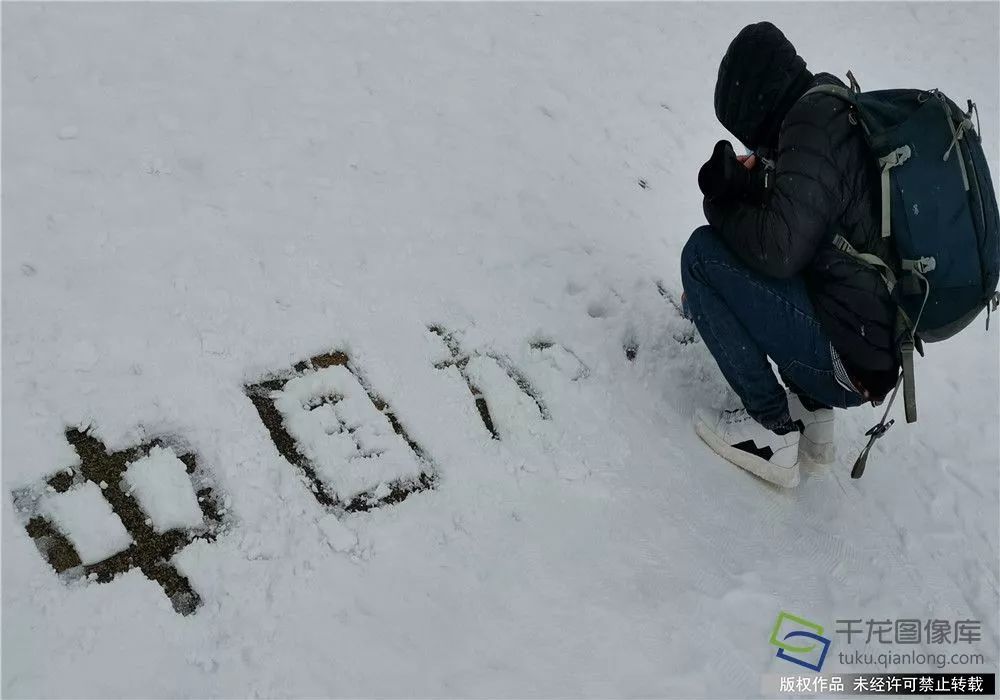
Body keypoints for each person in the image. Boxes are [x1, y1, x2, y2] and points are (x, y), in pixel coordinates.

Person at [681, 22, 899, 488]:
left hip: (848, 360)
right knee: (793, 267)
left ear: (757, 100)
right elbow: (813, 226)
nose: (749, 143)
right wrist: (750, 183)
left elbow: (779, 251)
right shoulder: (828, 105)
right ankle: (812, 419)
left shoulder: (809, 125)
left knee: (702, 257)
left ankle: (770, 429)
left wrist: (720, 204)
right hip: (866, 348)